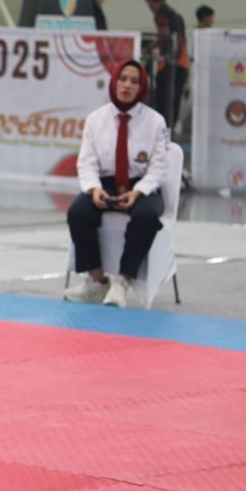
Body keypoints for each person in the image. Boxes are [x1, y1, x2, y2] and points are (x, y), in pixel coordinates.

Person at [64, 60, 170, 308]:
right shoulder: (95, 119)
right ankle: (97, 280)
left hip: (142, 185)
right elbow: (86, 162)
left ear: (142, 87)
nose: (127, 86)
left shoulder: (155, 122)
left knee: (146, 216)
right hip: (105, 183)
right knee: (78, 212)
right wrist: (94, 189)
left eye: (134, 81)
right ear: (114, 82)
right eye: (123, 79)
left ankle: (122, 281)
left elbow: (159, 168)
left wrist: (138, 191)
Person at [142, 0, 190, 131]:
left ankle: (161, 129)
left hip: (170, 63)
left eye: (148, 3)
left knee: (163, 100)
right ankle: (169, 130)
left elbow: (164, 34)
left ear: (152, 1)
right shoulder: (176, 14)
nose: (149, 7)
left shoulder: (161, 13)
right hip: (182, 62)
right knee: (174, 100)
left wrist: (148, 48)